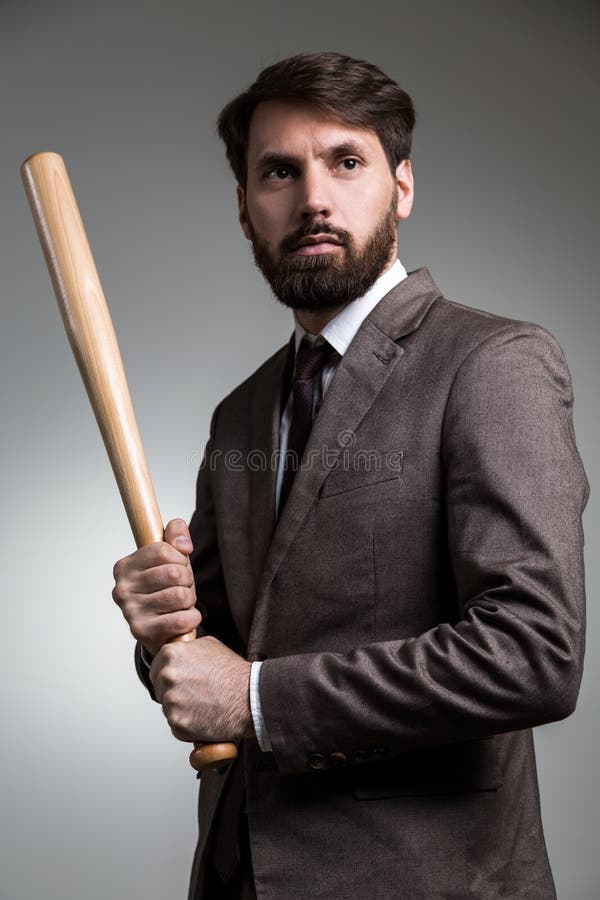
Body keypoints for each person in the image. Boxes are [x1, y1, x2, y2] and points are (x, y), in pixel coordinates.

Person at [111, 52, 589, 900]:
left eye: (346, 161)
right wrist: (162, 628)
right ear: (244, 209)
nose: (314, 199)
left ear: (402, 185)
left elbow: (532, 654)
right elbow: (212, 655)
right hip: (238, 873)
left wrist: (257, 700)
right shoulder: (241, 413)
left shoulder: (491, 363)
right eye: (279, 172)